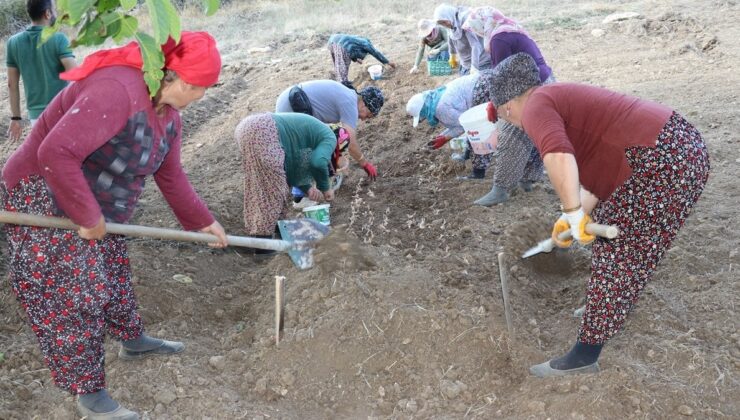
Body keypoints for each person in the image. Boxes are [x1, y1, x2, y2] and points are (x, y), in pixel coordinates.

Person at [1, 32, 228, 419]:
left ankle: (132, 341)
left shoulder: (168, 117)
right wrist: (87, 218)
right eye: (203, 90)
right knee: (77, 291)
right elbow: (54, 153)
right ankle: (89, 395)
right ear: (183, 81)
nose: (202, 98)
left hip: (95, 199)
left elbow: (170, 175)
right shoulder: (117, 89)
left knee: (112, 272)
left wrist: (202, 222)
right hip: (44, 193)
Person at [488, 53, 710, 377]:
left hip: (659, 157)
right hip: (680, 150)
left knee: (618, 249)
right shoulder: (553, 97)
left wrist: (573, 211)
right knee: (636, 243)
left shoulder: (535, 107)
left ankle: (584, 356)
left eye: (506, 118)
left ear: (507, 107)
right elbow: (596, 171)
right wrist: (573, 216)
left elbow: (557, 155)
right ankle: (608, 308)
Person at [460, 6, 555, 206]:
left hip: (528, 89)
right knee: (534, 132)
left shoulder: (498, 39)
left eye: (475, 27)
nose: (475, 32)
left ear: (482, 23)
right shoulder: (509, 28)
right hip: (544, 83)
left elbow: (503, 77)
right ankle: (527, 181)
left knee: (510, 135)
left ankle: (500, 189)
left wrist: (496, 106)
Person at [234, 112, 335, 251]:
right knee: (272, 194)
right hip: (264, 132)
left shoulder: (311, 134)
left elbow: (292, 167)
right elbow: (318, 162)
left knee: (266, 188)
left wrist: (307, 188)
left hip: (247, 127)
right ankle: (263, 248)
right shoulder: (330, 137)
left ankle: (279, 234)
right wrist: (325, 188)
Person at [275, 79, 382, 181]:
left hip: (290, 101)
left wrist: (336, 155)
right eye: (368, 115)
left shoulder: (347, 94)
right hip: (292, 106)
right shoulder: (350, 103)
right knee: (342, 136)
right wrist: (364, 163)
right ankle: (303, 185)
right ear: (364, 104)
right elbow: (351, 143)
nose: (363, 119)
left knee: (333, 136)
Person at [6, 0, 76, 141]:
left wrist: (16, 117)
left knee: (49, 158)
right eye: (54, 10)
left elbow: (11, 84)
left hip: (36, 118)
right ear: (48, 13)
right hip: (62, 112)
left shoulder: (13, 42)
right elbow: (75, 75)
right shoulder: (58, 38)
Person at [405, 70, 495, 180]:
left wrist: (445, 138)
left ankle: (478, 174)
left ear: (423, 110)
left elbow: (463, 126)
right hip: (484, 79)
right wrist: (442, 135)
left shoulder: (440, 109)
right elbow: (457, 122)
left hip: (482, 90)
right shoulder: (436, 97)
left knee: (477, 131)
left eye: (421, 116)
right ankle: (467, 155)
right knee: (473, 130)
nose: (423, 119)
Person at [433, 3, 491, 75]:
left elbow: (475, 45)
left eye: (444, 22)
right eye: (441, 23)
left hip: (481, 62)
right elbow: (450, 37)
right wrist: (452, 55)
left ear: (449, 16)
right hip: (465, 63)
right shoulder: (451, 23)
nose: (444, 25)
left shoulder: (465, 21)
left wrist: (474, 66)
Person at [327, 33, 396, 86]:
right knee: (342, 65)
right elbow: (376, 53)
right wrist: (388, 62)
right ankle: (343, 84)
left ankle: (343, 81)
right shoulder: (366, 44)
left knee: (339, 64)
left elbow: (351, 49)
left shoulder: (357, 42)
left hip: (333, 41)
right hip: (340, 44)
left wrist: (356, 59)